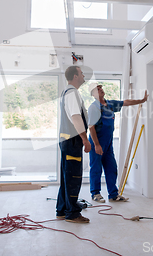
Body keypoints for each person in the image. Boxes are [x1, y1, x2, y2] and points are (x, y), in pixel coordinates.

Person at [87, 83, 148, 202]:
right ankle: (95, 193)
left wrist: (142, 100)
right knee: (96, 168)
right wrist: (97, 145)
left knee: (111, 167)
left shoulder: (109, 104)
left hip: (108, 143)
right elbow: (91, 127)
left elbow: (125, 102)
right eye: (97, 89)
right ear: (93, 94)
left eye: (100, 88)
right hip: (97, 142)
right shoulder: (94, 107)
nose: (100, 90)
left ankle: (113, 194)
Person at [56, 66, 92, 223]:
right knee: (73, 177)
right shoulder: (72, 93)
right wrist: (85, 138)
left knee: (66, 177)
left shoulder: (67, 93)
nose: (84, 75)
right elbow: (76, 117)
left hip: (66, 140)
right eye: (81, 73)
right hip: (72, 141)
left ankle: (62, 210)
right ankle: (72, 214)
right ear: (75, 76)